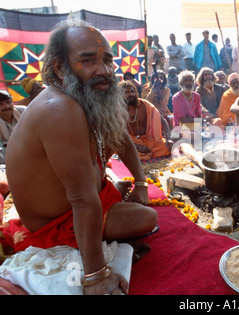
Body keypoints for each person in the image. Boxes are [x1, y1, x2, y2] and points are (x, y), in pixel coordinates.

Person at [3, 21, 157, 295]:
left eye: (108, 60)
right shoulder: (59, 109)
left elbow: (121, 140)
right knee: (147, 218)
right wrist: (96, 276)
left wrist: (142, 183)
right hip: (57, 222)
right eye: (88, 61)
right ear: (61, 68)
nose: (104, 71)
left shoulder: (84, 98)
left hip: (83, 199)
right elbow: (82, 200)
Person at [120, 81, 171, 160]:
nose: (131, 94)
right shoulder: (117, 110)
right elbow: (116, 136)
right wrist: (137, 146)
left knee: (167, 148)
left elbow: (163, 121)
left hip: (149, 140)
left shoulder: (145, 105)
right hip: (129, 143)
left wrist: (168, 138)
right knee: (125, 152)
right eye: (126, 92)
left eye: (132, 91)